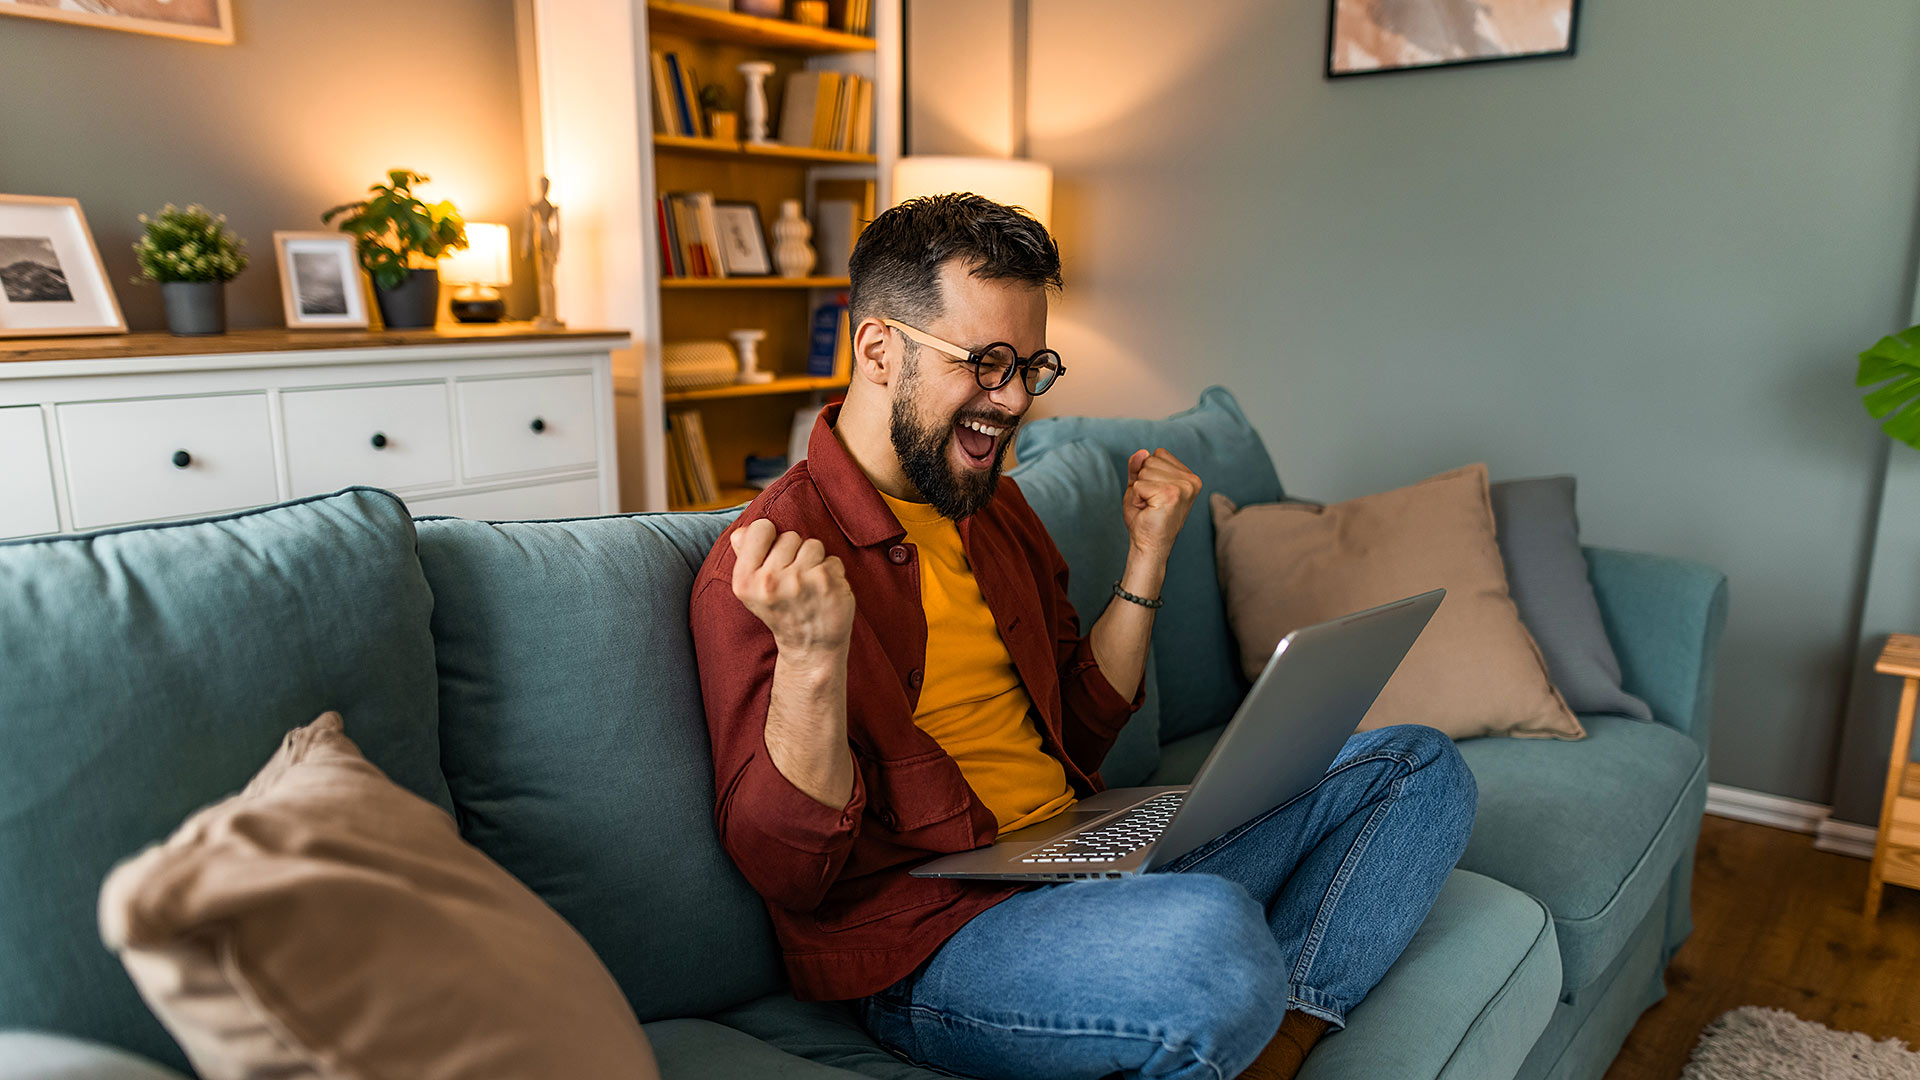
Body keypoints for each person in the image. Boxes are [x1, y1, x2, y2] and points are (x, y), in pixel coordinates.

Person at [689, 194, 1476, 1080]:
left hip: (1077, 851)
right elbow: (788, 871)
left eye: (1032, 366)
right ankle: (1233, 993)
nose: (1015, 400)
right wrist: (812, 657)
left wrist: (1148, 556)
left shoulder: (993, 509)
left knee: (1417, 765)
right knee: (1210, 942)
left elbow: (1085, 726)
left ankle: (1276, 1039)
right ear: (877, 350)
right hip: (934, 937)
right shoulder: (767, 564)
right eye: (986, 363)